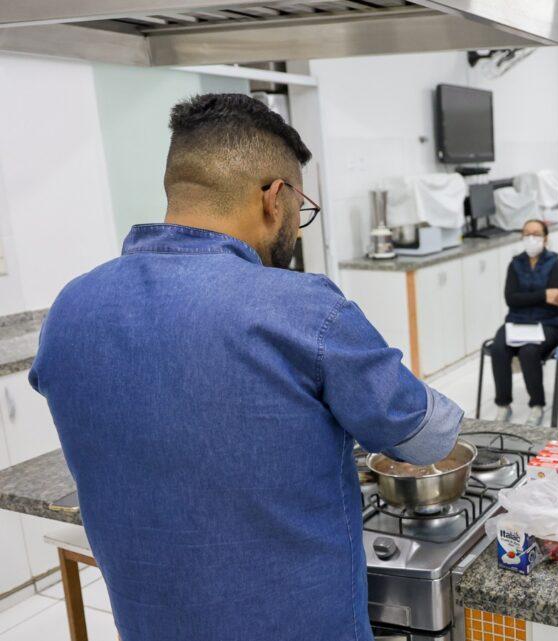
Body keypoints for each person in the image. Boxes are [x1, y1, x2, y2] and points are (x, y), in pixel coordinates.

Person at [28, 94, 462, 641]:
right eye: (300, 209)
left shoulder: (71, 307)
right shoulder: (303, 308)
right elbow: (424, 438)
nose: (297, 231)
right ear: (273, 198)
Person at [490, 219, 558, 426]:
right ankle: (503, 404)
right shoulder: (515, 263)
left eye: (536, 234)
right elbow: (511, 299)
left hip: (548, 323)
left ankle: (537, 405)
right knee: (498, 348)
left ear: (545, 238)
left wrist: (528, 297)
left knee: (529, 351)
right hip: (517, 321)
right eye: (527, 234)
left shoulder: (555, 263)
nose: (531, 238)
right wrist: (543, 295)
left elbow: (555, 300)